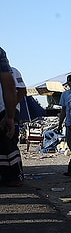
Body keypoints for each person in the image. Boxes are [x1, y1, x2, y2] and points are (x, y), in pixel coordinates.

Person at [0, 47, 21, 186]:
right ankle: (12, 176)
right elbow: (9, 86)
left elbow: (18, 89)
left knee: (7, 143)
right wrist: (10, 116)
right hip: (4, 109)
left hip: (4, 109)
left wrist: (10, 114)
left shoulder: (14, 70)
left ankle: (13, 177)